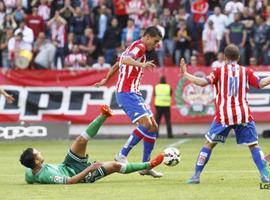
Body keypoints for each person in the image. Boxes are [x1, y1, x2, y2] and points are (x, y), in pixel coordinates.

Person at [180, 44, 270, 184]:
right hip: (243, 114)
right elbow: (261, 83)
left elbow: (203, 82)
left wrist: (186, 74)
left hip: (224, 116)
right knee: (253, 145)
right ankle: (265, 175)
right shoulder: (246, 71)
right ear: (238, 57)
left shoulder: (218, 71)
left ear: (225, 57)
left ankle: (196, 176)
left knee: (209, 144)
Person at [19, 105, 164, 184]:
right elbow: (70, 181)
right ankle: (148, 165)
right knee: (115, 166)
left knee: (79, 141)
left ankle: (103, 116)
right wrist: (89, 169)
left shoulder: (29, 172)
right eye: (38, 153)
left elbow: (30, 177)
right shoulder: (47, 175)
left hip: (68, 165)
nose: (40, 152)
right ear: (36, 161)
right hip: (81, 175)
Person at [95, 26, 163, 178]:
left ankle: (146, 166)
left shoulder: (134, 47)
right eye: (155, 41)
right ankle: (122, 154)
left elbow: (118, 64)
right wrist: (141, 65)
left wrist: (106, 79)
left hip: (133, 93)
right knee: (146, 124)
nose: (156, 44)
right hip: (127, 92)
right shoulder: (139, 47)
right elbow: (126, 60)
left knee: (153, 126)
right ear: (147, 37)